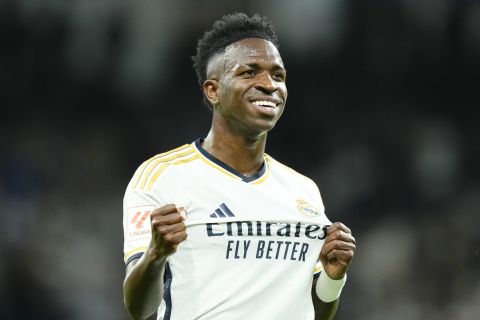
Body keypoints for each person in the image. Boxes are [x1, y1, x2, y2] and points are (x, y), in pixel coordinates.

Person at [122, 12, 356, 320]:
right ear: (213, 90)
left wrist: (333, 278)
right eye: (250, 72)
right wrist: (155, 254)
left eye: (279, 75)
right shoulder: (161, 177)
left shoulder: (304, 191)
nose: (269, 85)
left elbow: (316, 312)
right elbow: (139, 309)